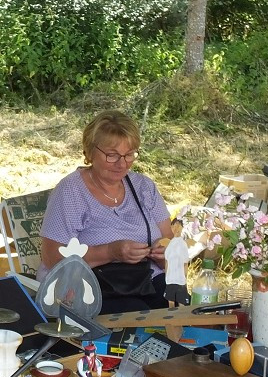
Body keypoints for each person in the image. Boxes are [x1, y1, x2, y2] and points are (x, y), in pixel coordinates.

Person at [39, 110, 173, 314]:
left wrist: (163, 253)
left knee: (176, 305)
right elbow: (52, 257)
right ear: (90, 151)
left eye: (129, 154)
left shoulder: (144, 187)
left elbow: (169, 242)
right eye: (112, 155)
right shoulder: (71, 191)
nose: (122, 164)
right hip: (89, 287)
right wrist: (111, 252)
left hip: (145, 281)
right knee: (136, 313)